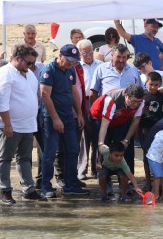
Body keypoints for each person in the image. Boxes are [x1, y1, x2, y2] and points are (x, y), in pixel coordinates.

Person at [0, 44, 46, 204]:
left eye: (33, 63)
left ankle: (28, 189)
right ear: (17, 59)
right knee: (6, 157)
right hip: (11, 124)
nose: (31, 66)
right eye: (28, 63)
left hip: (28, 124)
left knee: (25, 157)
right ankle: (5, 190)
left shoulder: (28, 73)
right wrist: (7, 124)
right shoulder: (5, 74)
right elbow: (1, 102)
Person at [40, 44, 88, 197]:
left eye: (74, 61)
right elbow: (45, 95)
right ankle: (46, 186)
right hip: (51, 117)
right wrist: (55, 118)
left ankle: (70, 184)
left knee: (73, 149)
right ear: (60, 55)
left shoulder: (71, 69)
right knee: (50, 152)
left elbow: (74, 92)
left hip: (68, 116)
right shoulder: (49, 70)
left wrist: (79, 113)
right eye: (69, 60)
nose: (72, 63)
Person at [91, 84, 145, 173]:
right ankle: (101, 173)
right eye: (133, 101)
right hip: (99, 118)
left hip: (120, 120)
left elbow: (135, 122)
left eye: (138, 102)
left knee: (121, 145)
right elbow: (104, 124)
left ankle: (124, 175)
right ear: (126, 96)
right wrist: (100, 143)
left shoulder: (141, 102)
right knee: (104, 145)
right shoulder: (112, 99)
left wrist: (126, 140)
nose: (135, 105)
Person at [78, 39, 102, 178]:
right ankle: (82, 169)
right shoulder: (77, 67)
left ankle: (96, 168)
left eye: (90, 51)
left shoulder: (100, 65)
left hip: (99, 101)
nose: (88, 54)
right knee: (84, 136)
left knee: (98, 135)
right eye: (85, 52)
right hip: (84, 101)